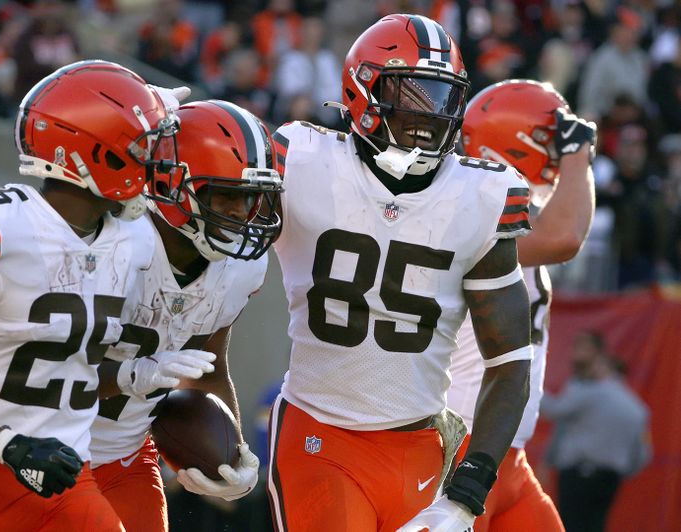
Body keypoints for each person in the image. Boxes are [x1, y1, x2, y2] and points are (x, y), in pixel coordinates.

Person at [266, 14, 535, 532]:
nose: (430, 113)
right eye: (410, 94)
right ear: (362, 90)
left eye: (442, 97)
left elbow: (510, 359)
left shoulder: (481, 196)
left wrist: (469, 491)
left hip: (418, 446)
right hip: (319, 434)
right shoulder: (301, 160)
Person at [0, 60, 178, 531]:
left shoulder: (133, 240)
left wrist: (133, 375)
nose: (154, 163)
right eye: (141, 148)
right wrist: (11, 445)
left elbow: (61, 369)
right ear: (99, 153)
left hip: (67, 478)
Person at [90, 99, 283, 532]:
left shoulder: (242, 267)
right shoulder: (115, 244)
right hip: (52, 440)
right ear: (172, 186)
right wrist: (129, 375)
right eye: (227, 194)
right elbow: (49, 368)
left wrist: (234, 453)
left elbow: (208, 369)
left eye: (251, 197)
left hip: (127, 457)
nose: (240, 214)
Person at [446, 79, 598, 532]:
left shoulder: (505, 211)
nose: (559, 155)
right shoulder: (475, 211)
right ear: (517, 145)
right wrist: (577, 154)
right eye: (552, 142)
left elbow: (559, 231)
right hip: (463, 446)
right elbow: (564, 237)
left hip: (508, 454)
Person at [541, 332, 651, 532]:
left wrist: (530, 386)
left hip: (579, 474)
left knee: (570, 525)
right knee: (596, 525)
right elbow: (642, 455)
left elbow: (554, 410)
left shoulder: (591, 393)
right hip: (610, 478)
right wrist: (619, 469)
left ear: (604, 367)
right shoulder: (638, 408)